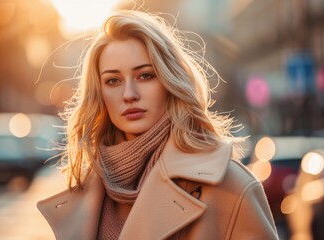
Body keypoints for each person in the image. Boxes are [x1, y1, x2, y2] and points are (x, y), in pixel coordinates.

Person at [37, 10, 278, 240]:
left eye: (145, 75)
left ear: (169, 81)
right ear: (99, 94)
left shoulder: (231, 186)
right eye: (113, 81)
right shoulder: (84, 190)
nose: (129, 94)